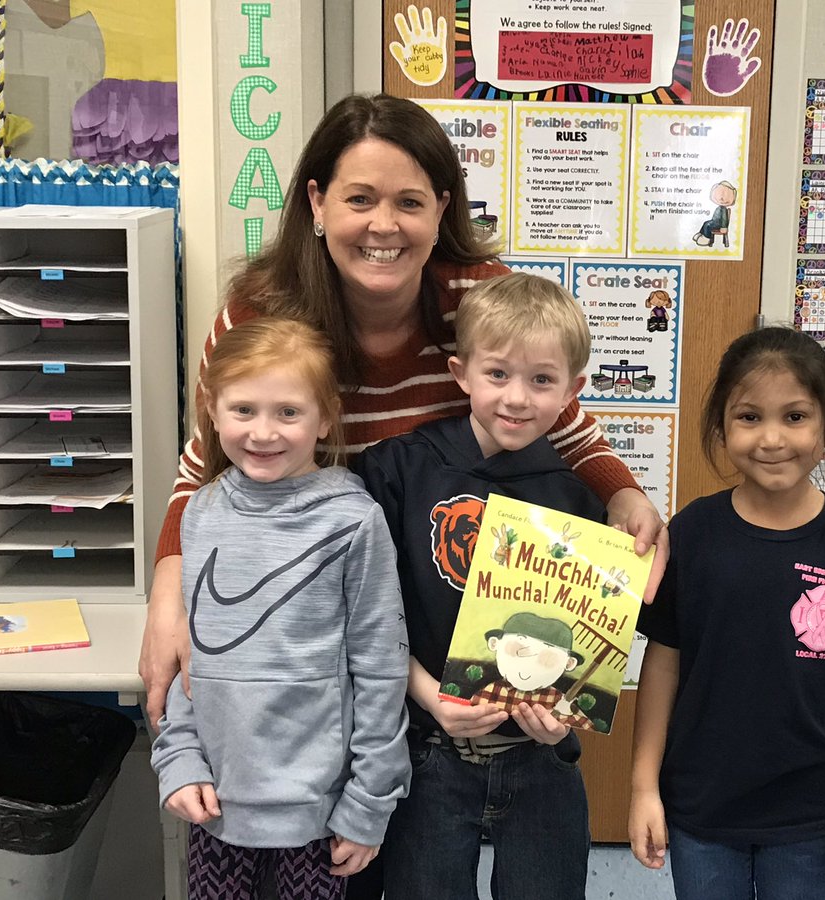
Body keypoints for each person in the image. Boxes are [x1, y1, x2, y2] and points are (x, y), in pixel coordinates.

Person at [139, 91, 666, 728]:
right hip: (308, 605)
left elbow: (567, 425)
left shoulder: (480, 297)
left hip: (446, 611)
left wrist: (626, 494)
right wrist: (167, 601)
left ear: (441, 210)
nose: (383, 226)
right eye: (359, 199)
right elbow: (202, 471)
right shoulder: (259, 318)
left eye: (409, 202)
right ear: (317, 203)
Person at [628, 326, 825, 900]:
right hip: (702, 803)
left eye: (796, 416)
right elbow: (662, 664)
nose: (773, 438)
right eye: (749, 417)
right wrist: (642, 788)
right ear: (722, 426)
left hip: (811, 809)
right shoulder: (694, 533)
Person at [354, 272, 606, 900]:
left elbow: (584, 642)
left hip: (540, 757)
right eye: (498, 375)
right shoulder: (399, 470)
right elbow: (365, 619)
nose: (517, 398)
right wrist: (429, 696)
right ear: (460, 373)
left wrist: (562, 716)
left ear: (573, 390)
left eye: (542, 380)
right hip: (428, 747)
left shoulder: (577, 501)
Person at [150, 318, 410, 899]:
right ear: (212, 411)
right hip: (215, 803)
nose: (263, 433)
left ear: (324, 417)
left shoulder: (354, 520)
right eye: (243, 410)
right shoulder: (201, 513)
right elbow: (191, 660)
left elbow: (380, 667)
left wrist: (370, 800)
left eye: (288, 413)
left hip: (319, 817)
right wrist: (180, 759)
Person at [693, 180, 737, 246]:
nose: (721, 198)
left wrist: (724, 227)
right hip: (715, 222)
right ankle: (701, 234)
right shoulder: (719, 207)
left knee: (708, 225)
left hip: (718, 224)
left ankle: (706, 238)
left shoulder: (723, 209)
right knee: (706, 223)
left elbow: (724, 219)